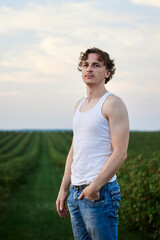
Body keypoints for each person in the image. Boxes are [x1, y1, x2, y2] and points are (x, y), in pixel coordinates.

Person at [56, 47, 129, 240]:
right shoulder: (79, 105)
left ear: (107, 73)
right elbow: (75, 149)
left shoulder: (112, 103)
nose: (89, 69)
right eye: (85, 65)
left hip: (99, 193)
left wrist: (94, 187)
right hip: (76, 193)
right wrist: (64, 188)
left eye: (96, 65)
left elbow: (120, 153)